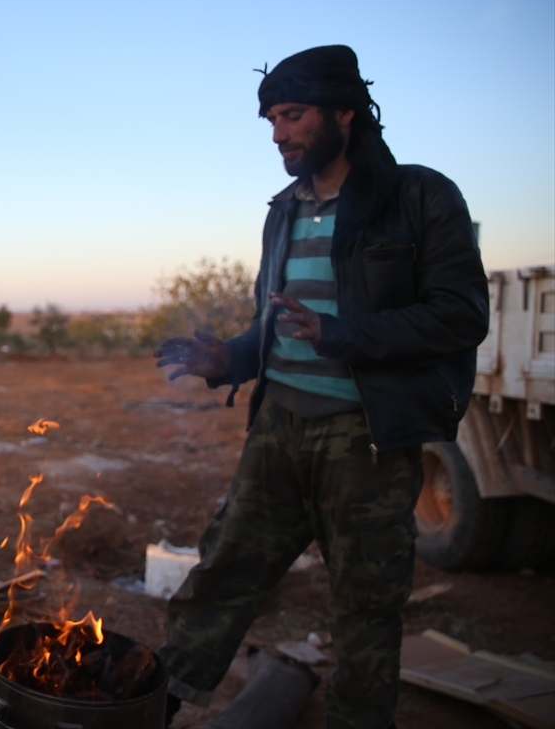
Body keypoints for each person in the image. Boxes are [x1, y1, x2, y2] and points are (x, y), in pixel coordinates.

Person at [153, 45, 488, 729]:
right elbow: (274, 327)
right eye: (272, 119)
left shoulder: (419, 196)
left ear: (344, 112)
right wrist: (227, 359)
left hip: (366, 437)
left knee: (366, 606)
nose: (278, 133)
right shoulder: (283, 209)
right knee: (221, 574)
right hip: (277, 428)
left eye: (293, 115)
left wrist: (344, 334)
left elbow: (461, 315)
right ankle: (147, 708)